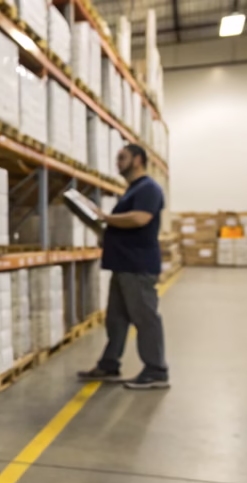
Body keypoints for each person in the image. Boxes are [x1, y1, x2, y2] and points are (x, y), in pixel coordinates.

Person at [78, 144, 169, 390]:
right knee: (116, 320)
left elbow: (141, 218)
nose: (117, 162)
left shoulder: (148, 188)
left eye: (122, 158)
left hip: (138, 266)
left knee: (145, 318)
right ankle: (109, 364)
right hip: (123, 265)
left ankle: (156, 370)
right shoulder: (132, 190)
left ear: (137, 160)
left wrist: (104, 217)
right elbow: (125, 224)